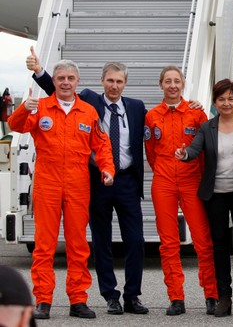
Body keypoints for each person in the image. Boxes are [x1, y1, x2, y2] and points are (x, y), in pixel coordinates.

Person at [26, 48, 149, 315]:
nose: (114, 86)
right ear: (101, 81)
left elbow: (163, 118)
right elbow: (59, 86)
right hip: (95, 182)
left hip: (126, 181)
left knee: (135, 240)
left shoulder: (137, 107)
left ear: (125, 83)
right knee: (98, 241)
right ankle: (109, 296)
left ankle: (132, 296)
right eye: (110, 81)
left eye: (119, 81)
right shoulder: (88, 102)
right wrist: (38, 71)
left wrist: (193, 107)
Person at [8, 60, 115, 320]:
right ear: (53, 82)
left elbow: (102, 145)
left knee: (78, 245)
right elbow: (15, 125)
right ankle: (43, 300)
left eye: (70, 78)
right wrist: (25, 108)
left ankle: (78, 299)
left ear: (77, 82)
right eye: (60, 78)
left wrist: (107, 168)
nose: (65, 82)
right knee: (44, 245)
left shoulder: (88, 112)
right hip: (47, 184)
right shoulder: (40, 107)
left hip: (78, 185)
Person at [175, 79, 233, 319]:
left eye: (231, 98)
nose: (226, 103)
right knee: (220, 246)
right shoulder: (208, 127)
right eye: (221, 99)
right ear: (215, 102)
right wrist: (185, 154)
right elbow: (195, 149)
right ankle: (224, 297)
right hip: (215, 195)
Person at [145, 65, 217, 316]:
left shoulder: (196, 114)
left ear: (183, 84)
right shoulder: (152, 115)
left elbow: (207, 149)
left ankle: (211, 294)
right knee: (168, 244)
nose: (172, 85)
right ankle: (176, 297)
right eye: (168, 81)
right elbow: (151, 152)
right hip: (163, 182)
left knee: (203, 241)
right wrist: (165, 171)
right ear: (161, 85)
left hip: (191, 182)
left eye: (177, 81)